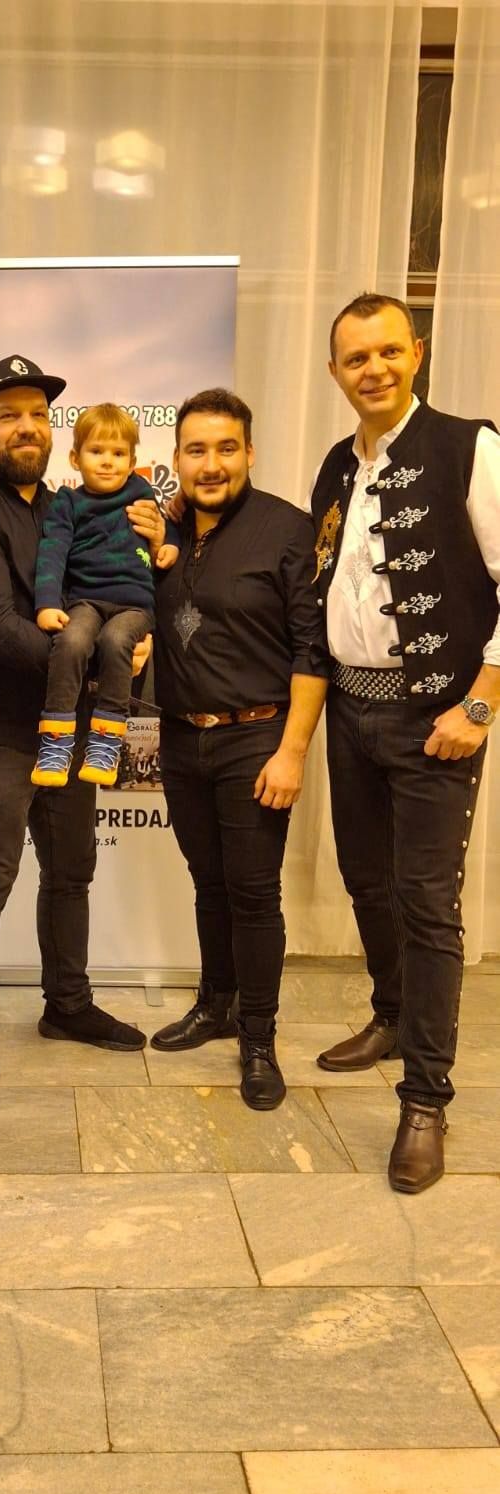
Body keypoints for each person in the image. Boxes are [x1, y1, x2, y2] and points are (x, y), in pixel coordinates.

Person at [0, 356, 161, 1086]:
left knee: (71, 872)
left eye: (38, 414)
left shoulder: (62, 504)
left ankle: (68, 1005)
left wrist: (133, 634)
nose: (27, 427)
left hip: (68, 724)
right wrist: (93, 668)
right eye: (8, 416)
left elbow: (120, 583)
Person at [312, 292, 499, 1192]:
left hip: (436, 722)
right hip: (350, 712)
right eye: (356, 358)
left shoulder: (470, 447)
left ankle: (425, 1098)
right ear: (335, 372)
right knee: (366, 881)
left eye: (388, 351)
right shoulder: (335, 467)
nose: (374, 369)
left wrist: (481, 707)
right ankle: (391, 1015)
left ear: (415, 353)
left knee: (428, 907)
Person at [149, 389, 330, 1111]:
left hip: (256, 739)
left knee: (254, 894)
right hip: (179, 736)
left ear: (249, 452)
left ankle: (258, 1038)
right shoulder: (163, 529)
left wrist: (292, 752)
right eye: (196, 450)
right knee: (209, 883)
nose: (212, 464)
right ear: (177, 459)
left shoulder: (287, 529)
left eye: (226, 448)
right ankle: (214, 1004)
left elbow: (313, 651)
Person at [32, 402, 180, 787]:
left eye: (118, 454)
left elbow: (167, 525)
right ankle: (56, 741)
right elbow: (52, 552)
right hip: (86, 601)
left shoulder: (141, 491)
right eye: (96, 451)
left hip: (135, 605)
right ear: (75, 458)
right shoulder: (68, 502)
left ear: (132, 463)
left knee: (116, 641)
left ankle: (107, 741)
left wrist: (169, 544)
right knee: (71, 641)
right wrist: (46, 603)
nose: (107, 462)